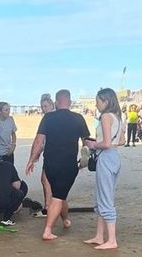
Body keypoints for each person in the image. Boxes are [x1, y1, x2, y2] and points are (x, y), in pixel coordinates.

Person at [25, 89, 91, 240]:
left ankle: (66, 220)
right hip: (68, 165)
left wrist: (31, 159)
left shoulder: (48, 118)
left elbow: (38, 140)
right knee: (58, 196)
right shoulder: (78, 118)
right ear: (69, 101)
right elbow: (86, 143)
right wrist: (89, 157)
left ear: (56, 101)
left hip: (50, 165)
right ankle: (47, 230)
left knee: (59, 194)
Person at [84, 88, 125, 250]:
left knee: (105, 199)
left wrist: (93, 144)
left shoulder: (106, 116)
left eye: (98, 101)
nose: (96, 104)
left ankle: (111, 240)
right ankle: (100, 236)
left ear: (106, 102)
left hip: (106, 158)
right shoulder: (118, 117)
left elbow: (106, 143)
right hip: (114, 157)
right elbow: (120, 141)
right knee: (103, 197)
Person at [33, 93, 56, 218]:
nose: (44, 109)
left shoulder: (49, 119)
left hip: (51, 155)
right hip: (51, 154)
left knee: (45, 180)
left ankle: (47, 208)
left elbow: (40, 140)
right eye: (42, 107)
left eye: (46, 106)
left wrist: (34, 155)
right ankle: (50, 206)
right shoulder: (52, 117)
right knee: (48, 181)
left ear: (52, 105)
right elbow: (44, 141)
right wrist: (38, 153)